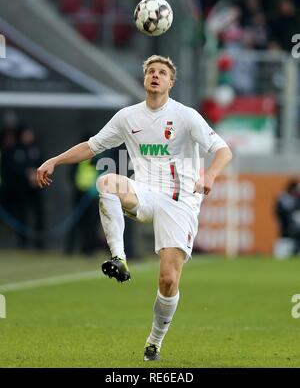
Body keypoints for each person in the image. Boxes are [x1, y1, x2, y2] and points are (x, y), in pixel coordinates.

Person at [36, 55, 232, 361]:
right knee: (107, 183)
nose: (155, 75)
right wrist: (55, 160)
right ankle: (119, 258)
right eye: (151, 71)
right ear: (145, 80)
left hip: (179, 201)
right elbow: (92, 146)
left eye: (162, 72)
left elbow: (223, 150)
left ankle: (154, 340)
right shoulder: (128, 117)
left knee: (168, 279)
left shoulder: (186, 116)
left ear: (171, 82)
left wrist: (210, 174)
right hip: (144, 192)